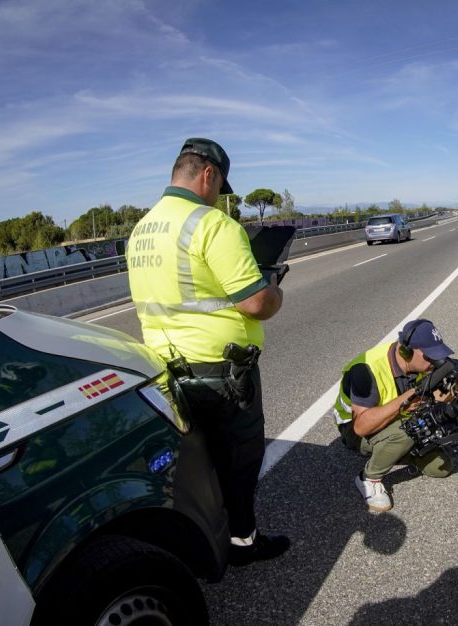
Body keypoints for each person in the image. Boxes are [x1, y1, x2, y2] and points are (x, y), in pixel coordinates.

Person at [127, 138, 288, 566]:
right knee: (241, 458)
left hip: (165, 365)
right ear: (207, 174)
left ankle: (202, 529)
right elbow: (254, 303)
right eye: (219, 186)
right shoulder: (214, 225)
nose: (219, 196)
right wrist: (274, 290)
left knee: (197, 456)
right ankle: (242, 541)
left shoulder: (141, 230)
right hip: (221, 370)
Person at [333, 319, 458, 512]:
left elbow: (438, 399)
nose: (434, 362)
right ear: (406, 351)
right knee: (411, 428)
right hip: (356, 431)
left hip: (394, 419)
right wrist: (407, 399)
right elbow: (361, 426)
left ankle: (396, 449)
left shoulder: (421, 367)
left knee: (440, 467)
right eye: (429, 357)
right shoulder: (366, 369)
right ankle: (369, 478)